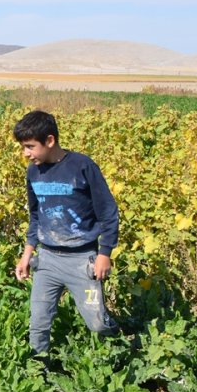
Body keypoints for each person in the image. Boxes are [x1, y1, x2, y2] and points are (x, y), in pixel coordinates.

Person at [12, 110, 119, 354]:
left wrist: (104, 253)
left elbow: (108, 212)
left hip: (82, 261)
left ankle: (120, 344)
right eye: (22, 147)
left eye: (30, 146)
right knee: (38, 322)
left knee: (97, 323)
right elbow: (36, 216)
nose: (25, 154)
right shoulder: (33, 173)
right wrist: (27, 253)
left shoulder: (83, 166)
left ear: (49, 141)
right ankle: (38, 371)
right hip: (48, 259)